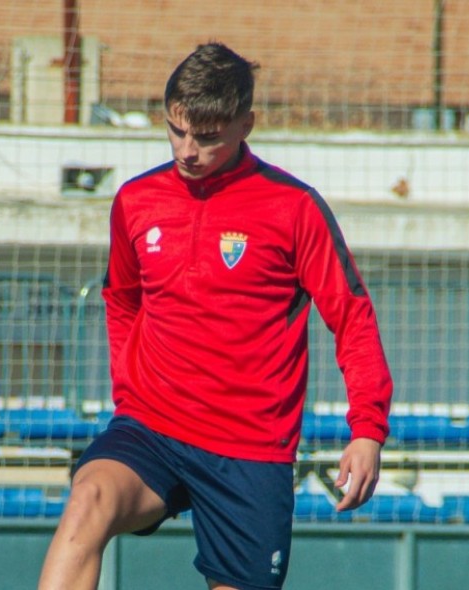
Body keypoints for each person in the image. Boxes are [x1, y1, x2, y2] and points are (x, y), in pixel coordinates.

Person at [38, 42, 393, 590]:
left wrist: (367, 430)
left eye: (206, 137)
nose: (187, 150)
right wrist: (129, 387)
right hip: (152, 427)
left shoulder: (294, 208)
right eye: (176, 130)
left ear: (246, 125)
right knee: (87, 501)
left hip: (248, 449)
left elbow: (352, 318)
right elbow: (122, 299)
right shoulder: (136, 200)